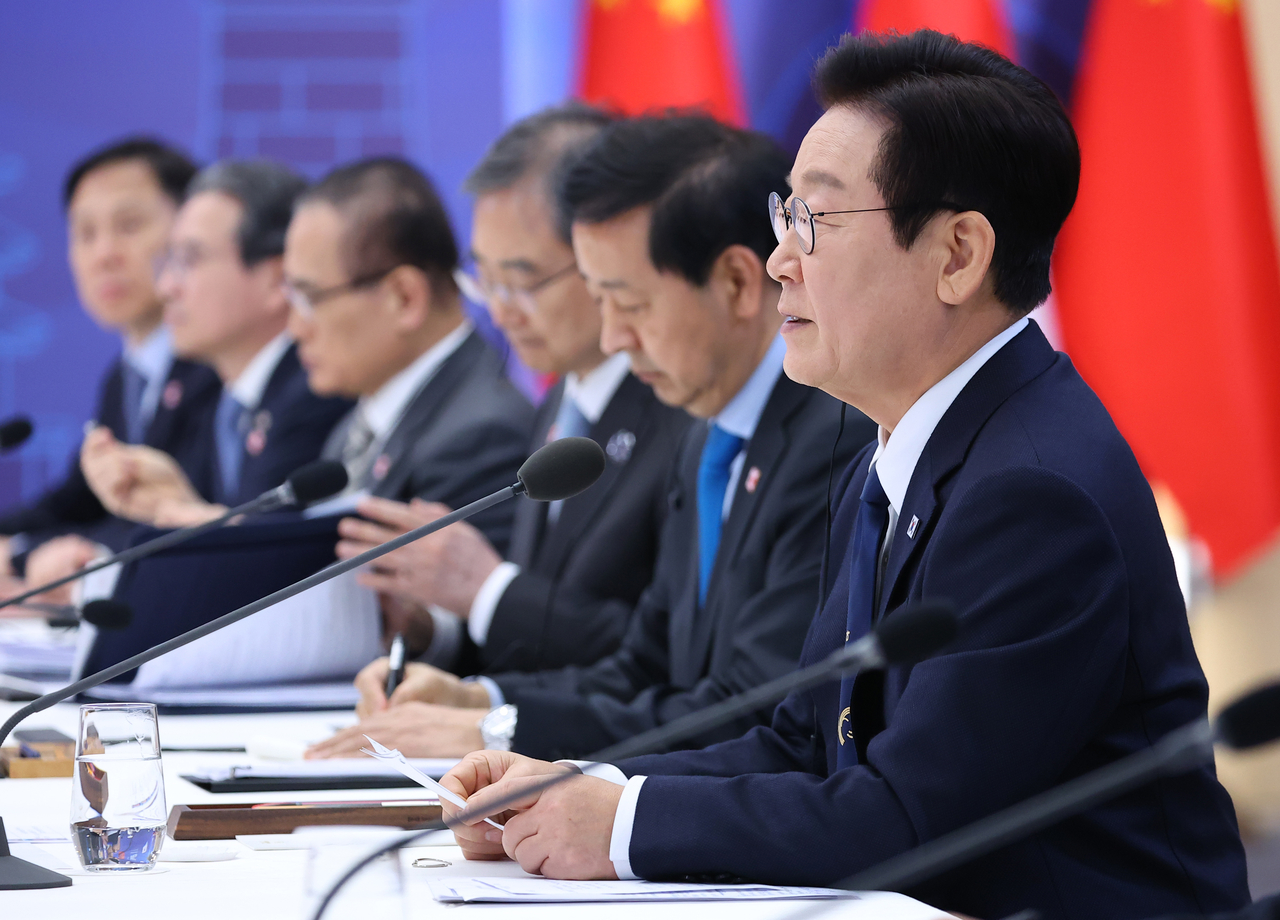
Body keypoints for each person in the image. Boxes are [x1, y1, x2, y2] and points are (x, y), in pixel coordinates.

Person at [433, 32, 1250, 920]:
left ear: (957, 256)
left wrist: (621, 822)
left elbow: (905, 817)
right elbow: (802, 742)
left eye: (813, 222)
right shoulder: (902, 449)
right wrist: (571, 788)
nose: (783, 257)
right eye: (787, 218)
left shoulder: (1035, 492)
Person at [306, 114, 875, 761]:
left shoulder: (834, 438)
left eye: (631, 306)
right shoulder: (707, 433)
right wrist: (485, 700)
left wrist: (499, 731)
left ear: (739, 284)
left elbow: (754, 712)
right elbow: (645, 668)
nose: (612, 340)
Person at [324, 103, 692, 679]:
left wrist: (489, 588)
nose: (499, 311)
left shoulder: (684, 409)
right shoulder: (562, 397)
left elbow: (667, 659)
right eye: (485, 280)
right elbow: (526, 646)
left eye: (521, 281)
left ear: (603, 255)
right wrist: (428, 627)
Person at [0, 138, 219, 598]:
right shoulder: (124, 378)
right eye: (85, 233)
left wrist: (21, 556)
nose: (104, 254)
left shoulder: (220, 364)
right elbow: (76, 502)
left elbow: (167, 517)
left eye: (129, 225)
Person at [79, 160, 351, 528]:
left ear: (276, 280)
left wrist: (179, 512)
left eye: (189, 260)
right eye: (168, 262)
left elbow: (281, 557)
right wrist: (170, 503)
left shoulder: (315, 390)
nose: (167, 288)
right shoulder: (217, 399)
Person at [283, 157, 534, 557]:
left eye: (310, 298)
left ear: (404, 298)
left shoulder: (481, 436)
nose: (295, 327)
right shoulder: (354, 425)